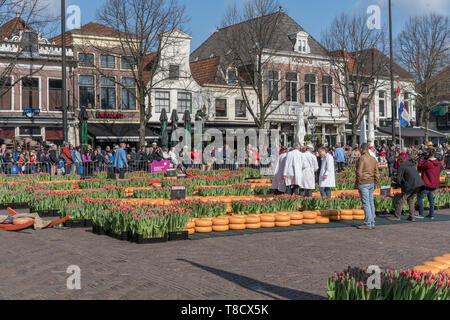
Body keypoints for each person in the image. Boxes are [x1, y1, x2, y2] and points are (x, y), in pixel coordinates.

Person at [389, 154, 425, 222]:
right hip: (419, 184)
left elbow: (399, 179)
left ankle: (397, 216)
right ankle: (412, 216)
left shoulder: (401, 166)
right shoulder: (411, 165)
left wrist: (394, 179)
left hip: (411, 185)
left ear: (399, 161)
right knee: (410, 200)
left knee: (401, 200)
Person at [355, 143, 379, 230]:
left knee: (366, 203)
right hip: (371, 182)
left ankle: (368, 222)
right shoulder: (373, 159)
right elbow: (377, 172)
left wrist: (358, 182)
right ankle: (371, 221)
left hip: (363, 182)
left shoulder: (362, 158)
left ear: (361, 149)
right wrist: (376, 182)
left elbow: (359, 172)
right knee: (370, 202)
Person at [416, 149, 441, 220]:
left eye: (427, 153)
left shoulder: (428, 162)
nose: (426, 154)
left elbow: (419, 168)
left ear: (429, 154)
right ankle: (431, 214)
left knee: (419, 197)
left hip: (427, 184)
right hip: (434, 184)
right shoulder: (437, 162)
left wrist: (421, 160)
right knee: (431, 199)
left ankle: (421, 214)